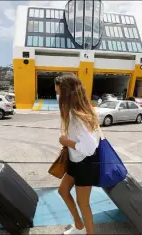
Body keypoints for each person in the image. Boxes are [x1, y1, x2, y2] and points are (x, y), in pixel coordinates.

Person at [54, 74, 100, 235]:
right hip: (76, 161)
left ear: (66, 94)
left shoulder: (77, 117)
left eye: (59, 94)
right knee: (63, 190)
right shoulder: (80, 111)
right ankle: (79, 225)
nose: (57, 97)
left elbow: (89, 148)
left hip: (85, 163)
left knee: (83, 203)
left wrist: (66, 142)